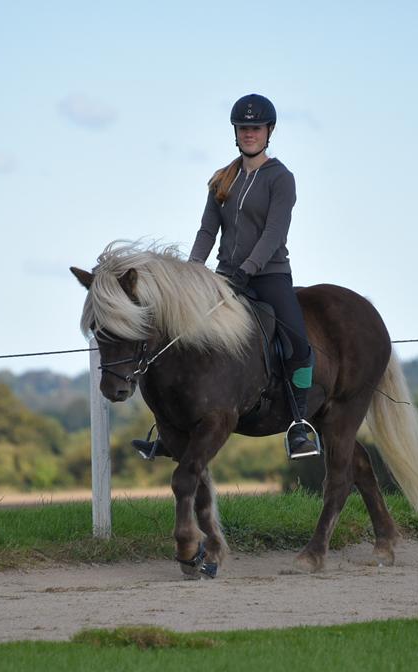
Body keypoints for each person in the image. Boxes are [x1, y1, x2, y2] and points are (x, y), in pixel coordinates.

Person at [132, 93, 320, 460]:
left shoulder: (282, 179)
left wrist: (248, 270)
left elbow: (274, 233)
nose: (250, 133)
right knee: (182, 336)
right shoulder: (222, 178)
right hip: (224, 277)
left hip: (269, 276)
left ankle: (299, 425)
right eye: (244, 128)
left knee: (298, 346)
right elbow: (206, 232)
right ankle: (170, 430)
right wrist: (190, 273)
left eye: (256, 128)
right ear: (235, 132)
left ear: (269, 131)